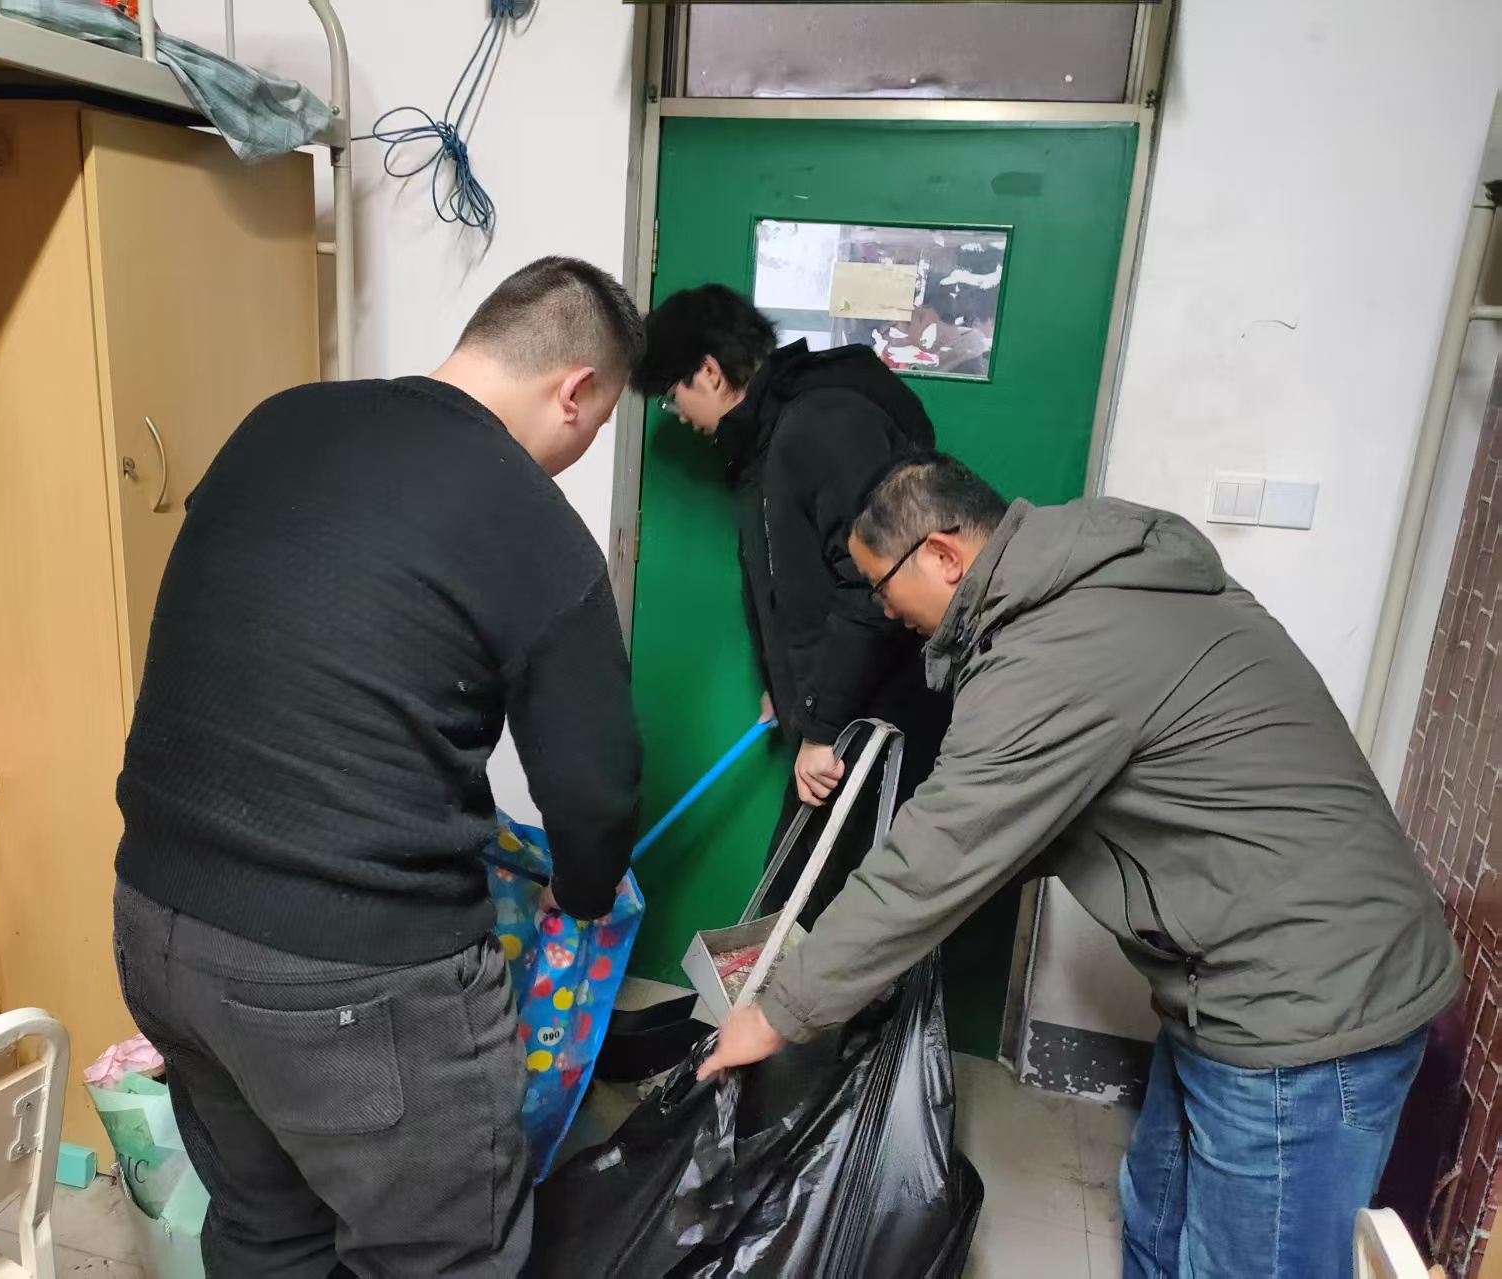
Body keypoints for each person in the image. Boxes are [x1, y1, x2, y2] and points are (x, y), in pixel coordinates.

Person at [700, 454, 1462, 1279]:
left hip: (1307, 1008)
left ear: (944, 555)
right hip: (1238, 986)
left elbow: (940, 853)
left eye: (881, 584)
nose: (882, 609)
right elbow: (995, 835)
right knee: (1156, 1221)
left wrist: (778, 1010)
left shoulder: (1055, 648)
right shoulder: (1096, 586)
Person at [112, 257, 644, 1279]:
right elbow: (595, 789)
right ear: (575, 390)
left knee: (266, 1225)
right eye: (600, 419)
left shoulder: (281, 422)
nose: (581, 448)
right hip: (346, 974)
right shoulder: (530, 520)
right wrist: (580, 893)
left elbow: (290, 644)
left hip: (158, 918)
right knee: (442, 1254)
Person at [632, 284, 949, 920]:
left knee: (804, 912)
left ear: (709, 372)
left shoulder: (823, 427)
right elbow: (792, 574)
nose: (678, 414)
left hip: (874, 718)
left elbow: (876, 587)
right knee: (802, 906)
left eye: (671, 395)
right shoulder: (768, 439)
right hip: (838, 711)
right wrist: (784, 683)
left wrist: (824, 726)